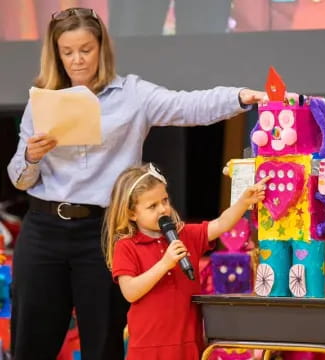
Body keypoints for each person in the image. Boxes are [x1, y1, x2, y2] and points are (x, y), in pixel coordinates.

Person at [7, 7, 268, 360]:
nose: (77, 60)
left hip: (103, 232)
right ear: (56, 54)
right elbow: (20, 178)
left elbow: (187, 106)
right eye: (67, 52)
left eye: (85, 49)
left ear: (101, 48)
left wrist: (238, 97)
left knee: (103, 339)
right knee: (32, 340)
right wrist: (32, 156)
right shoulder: (41, 101)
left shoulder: (132, 94)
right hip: (43, 228)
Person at [102, 162, 269, 360]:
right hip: (148, 348)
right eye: (152, 206)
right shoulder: (127, 246)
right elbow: (130, 292)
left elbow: (221, 224)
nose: (163, 209)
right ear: (132, 213)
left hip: (187, 344)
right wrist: (165, 263)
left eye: (165, 200)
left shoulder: (185, 234)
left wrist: (243, 203)